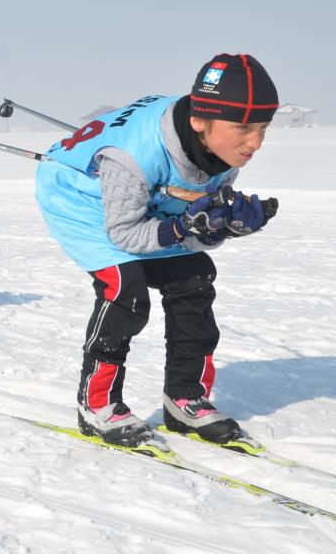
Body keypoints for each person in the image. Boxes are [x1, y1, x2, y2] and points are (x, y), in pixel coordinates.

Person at [35, 53, 280, 448]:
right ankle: (96, 405)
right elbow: (126, 236)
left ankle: (186, 399)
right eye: (243, 128)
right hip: (79, 196)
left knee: (194, 277)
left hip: (144, 197)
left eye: (264, 127)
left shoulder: (223, 150)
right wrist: (183, 225)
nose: (255, 142)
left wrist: (221, 227)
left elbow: (194, 228)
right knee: (125, 288)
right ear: (200, 121)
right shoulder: (134, 159)